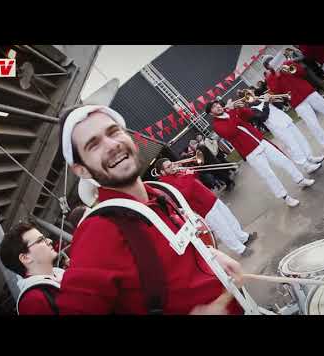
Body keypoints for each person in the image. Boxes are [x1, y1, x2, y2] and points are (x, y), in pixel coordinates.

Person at [57, 104, 247, 315]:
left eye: (113, 132)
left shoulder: (160, 194)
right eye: (93, 145)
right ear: (81, 169)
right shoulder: (97, 234)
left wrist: (209, 256)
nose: (112, 145)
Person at [206, 99, 315, 208]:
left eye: (217, 104)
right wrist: (232, 110)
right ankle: (286, 197)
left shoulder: (230, 112)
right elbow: (231, 131)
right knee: (269, 175)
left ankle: (300, 180)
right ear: (211, 113)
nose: (218, 106)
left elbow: (249, 115)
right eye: (214, 107)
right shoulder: (217, 125)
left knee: (284, 160)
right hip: (250, 151)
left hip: (260, 141)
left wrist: (241, 108)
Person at [154, 157, 257, 256]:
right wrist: (188, 175)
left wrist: (191, 172)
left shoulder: (179, 172)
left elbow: (196, 178)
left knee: (230, 219)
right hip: (203, 207)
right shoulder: (167, 184)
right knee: (223, 228)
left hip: (210, 197)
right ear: (162, 172)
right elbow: (185, 193)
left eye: (171, 164)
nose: (172, 167)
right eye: (168, 167)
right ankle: (240, 249)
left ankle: (244, 238)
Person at [263, 55, 324, 155]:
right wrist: (277, 76)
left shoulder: (287, 64)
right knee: (312, 124)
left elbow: (302, 72)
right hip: (297, 102)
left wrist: (289, 69)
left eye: (272, 60)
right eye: (269, 62)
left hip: (308, 92)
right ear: (267, 67)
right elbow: (276, 92)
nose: (272, 62)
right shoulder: (270, 78)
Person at [238, 88, 324, 174]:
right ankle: (305, 165)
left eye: (251, 92)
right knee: (293, 145)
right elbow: (263, 116)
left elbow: (280, 106)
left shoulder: (262, 99)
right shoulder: (251, 109)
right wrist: (267, 102)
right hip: (277, 127)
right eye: (249, 94)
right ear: (245, 99)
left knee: (300, 139)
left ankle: (310, 157)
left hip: (285, 119)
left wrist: (275, 100)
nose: (252, 94)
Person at [0, 222, 64, 315]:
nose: (49, 240)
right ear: (25, 258)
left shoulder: (63, 275)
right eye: (40, 240)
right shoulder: (32, 302)